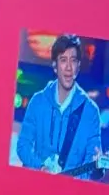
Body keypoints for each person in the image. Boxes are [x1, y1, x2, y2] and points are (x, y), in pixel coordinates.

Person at [16, 34, 104, 176]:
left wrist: (94, 170)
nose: (68, 67)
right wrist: (40, 167)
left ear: (78, 66)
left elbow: (93, 163)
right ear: (55, 66)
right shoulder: (38, 102)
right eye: (63, 60)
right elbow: (23, 146)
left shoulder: (90, 111)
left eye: (73, 61)